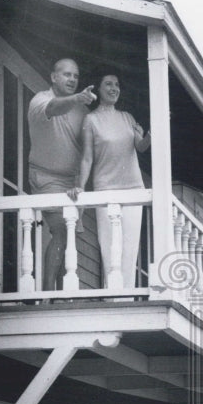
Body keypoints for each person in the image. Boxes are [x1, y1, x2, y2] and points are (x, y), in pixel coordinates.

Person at [73, 73, 150, 291]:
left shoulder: (127, 118)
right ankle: (112, 297)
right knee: (109, 250)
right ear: (98, 88)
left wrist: (151, 134)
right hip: (106, 189)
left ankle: (126, 299)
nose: (114, 88)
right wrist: (81, 184)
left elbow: (141, 147)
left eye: (117, 84)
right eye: (108, 84)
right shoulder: (91, 120)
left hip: (133, 189)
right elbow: (87, 157)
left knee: (129, 250)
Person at [28, 58, 96, 290]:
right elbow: (55, 108)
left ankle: (59, 293)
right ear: (53, 77)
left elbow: (89, 148)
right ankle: (47, 293)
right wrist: (77, 98)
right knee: (60, 229)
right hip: (46, 178)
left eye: (76, 76)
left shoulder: (83, 111)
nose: (72, 80)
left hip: (73, 182)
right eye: (67, 75)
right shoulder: (41, 99)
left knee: (67, 237)